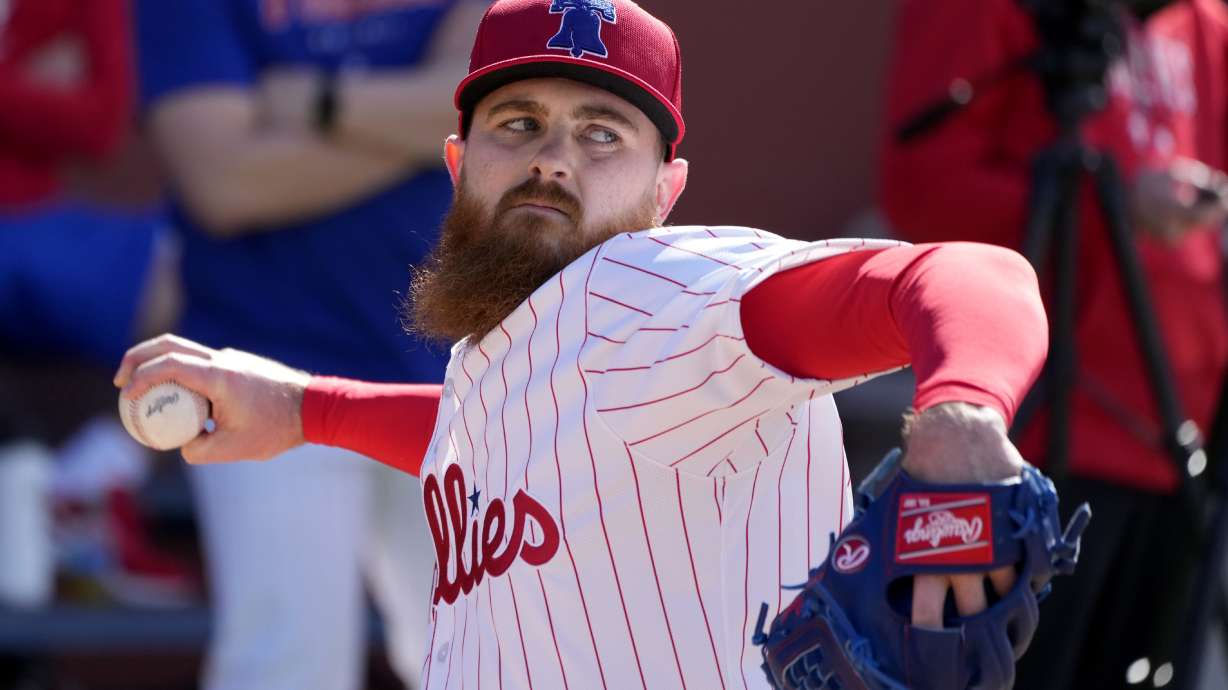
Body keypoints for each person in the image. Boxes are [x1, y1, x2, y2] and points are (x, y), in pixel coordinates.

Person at [118, 0, 1062, 687]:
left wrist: (962, 415)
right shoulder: (504, 353)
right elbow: (506, 447)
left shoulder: (673, 292)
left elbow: (969, 275)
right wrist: (305, 410)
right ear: (457, 165)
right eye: (518, 123)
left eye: (602, 134)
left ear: (667, 193)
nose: (552, 157)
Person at [131, 1, 486, 688]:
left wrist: (317, 103)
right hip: (258, 370)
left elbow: (489, 118)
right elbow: (227, 184)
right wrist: (419, 125)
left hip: (463, 372)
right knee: (285, 662)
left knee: (488, 658)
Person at [880, 0, 1228, 687]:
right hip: (1025, 440)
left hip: (1179, 445)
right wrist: (1115, 207)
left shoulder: (1204, 24)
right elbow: (922, 188)